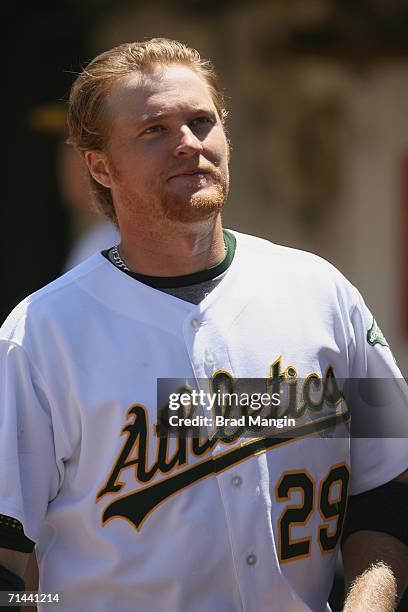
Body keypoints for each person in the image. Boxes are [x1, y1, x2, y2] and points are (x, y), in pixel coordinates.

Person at [0, 38, 407, 612]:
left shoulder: (324, 292)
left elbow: (392, 482)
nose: (189, 144)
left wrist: (369, 603)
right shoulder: (38, 335)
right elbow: (9, 561)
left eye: (201, 121)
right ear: (100, 165)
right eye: (154, 130)